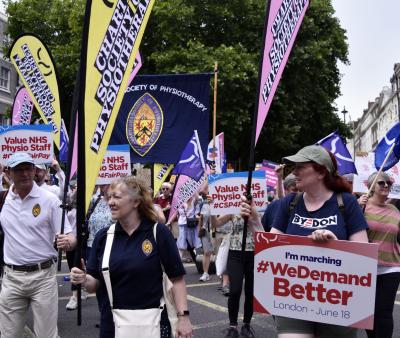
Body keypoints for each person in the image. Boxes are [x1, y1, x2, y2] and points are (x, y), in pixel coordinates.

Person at [242, 145, 369, 338]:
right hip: (294, 297)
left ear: (321, 172)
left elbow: (363, 259)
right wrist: (254, 222)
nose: (294, 172)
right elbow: (270, 249)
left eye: (301, 166)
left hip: (338, 301)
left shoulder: (347, 203)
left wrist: (335, 244)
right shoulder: (289, 203)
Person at [71, 176, 193, 338]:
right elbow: (94, 284)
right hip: (113, 325)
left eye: (117, 197)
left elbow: (177, 279)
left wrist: (183, 318)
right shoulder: (103, 237)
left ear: (136, 202)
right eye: (109, 197)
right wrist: (84, 279)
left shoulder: (158, 233)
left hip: (154, 323)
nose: (111, 202)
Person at [0, 152, 76, 338]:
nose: (25, 174)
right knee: (8, 335)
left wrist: (69, 242)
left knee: (46, 335)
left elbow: (70, 235)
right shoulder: (4, 199)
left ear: (35, 170)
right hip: (11, 278)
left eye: (28, 168)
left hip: (42, 278)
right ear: (9, 173)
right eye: (19, 170)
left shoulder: (49, 200)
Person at [359, 172, 400, 338]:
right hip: (365, 267)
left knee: (384, 312)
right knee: (368, 313)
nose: (386, 186)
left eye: (388, 184)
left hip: (391, 267)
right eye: (381, 183)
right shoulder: (361, 207)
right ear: (371, 187)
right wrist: (356, 207)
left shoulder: (395, 211)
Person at [211, 213, 256, 338]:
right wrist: (212, 210)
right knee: (235, 290)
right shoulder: (233, 208)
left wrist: (254, 216)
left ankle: (246, 325)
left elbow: (264, 228)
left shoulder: (260, 207)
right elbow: (216, 223)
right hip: (235, 253)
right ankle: (233, 326)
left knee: (250, 291)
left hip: (255, 253)